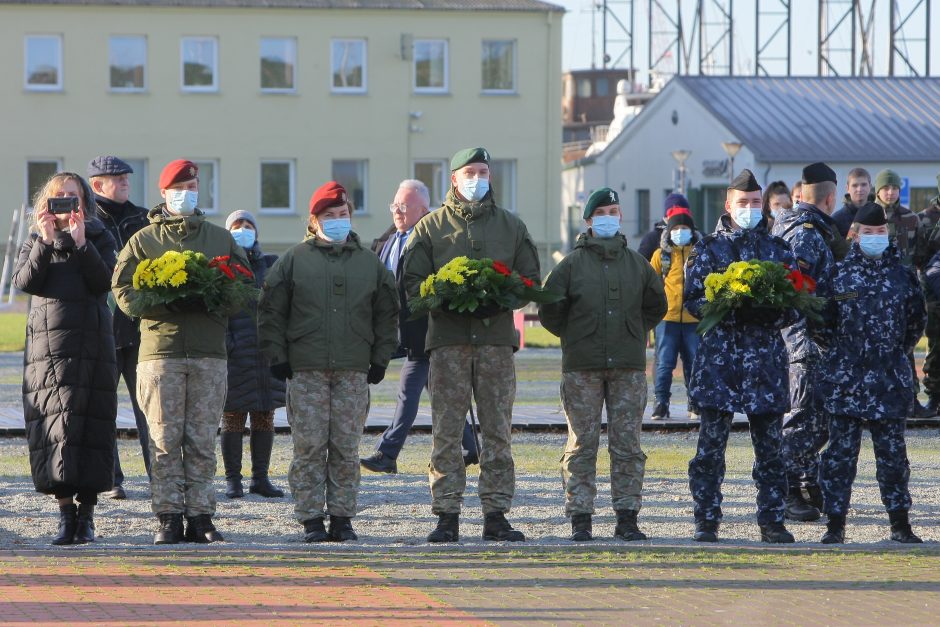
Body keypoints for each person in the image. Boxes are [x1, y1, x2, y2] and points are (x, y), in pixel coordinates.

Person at [404, 147, 541, 543]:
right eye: (470, 172)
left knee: (498, 429)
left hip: (496, 342)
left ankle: (496, 514)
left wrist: (502, 294)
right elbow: (412, 286)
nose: (477, 179)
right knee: (447, 430)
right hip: (448, 343)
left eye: (483, 171)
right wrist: (444, 295)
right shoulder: (429, 228)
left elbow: (529, 278)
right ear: (454, 179)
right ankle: (447, 514)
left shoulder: (511, 227)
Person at [112, 159, 249, 545]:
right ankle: (168, 516)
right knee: (164, 437)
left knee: (203, 438)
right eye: (179, 187)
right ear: (163, 194)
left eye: (192, 187)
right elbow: (122, 291)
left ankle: (202, 515)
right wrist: (160, 303)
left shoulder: (220, 239)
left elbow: (242, 287)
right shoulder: (143, 240)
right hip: (161, 353)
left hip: (208, 352)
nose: (186, 194)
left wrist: (215, 298)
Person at [258, 181, 399, 543]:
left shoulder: (369, 262)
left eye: (342, 214)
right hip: (306, 368)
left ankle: (342, 516)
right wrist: (277, 356)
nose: (337, 220)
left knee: (346, 447)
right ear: (314, 220)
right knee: (309, 446)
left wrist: (381, 357)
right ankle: (310, 518)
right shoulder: (294, 260)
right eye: (328, 215)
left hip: (353, 369)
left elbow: (386, 312)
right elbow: (272, 311)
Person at [539, 187, 666, 542]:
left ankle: (627, 516)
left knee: (627, 444)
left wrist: (634, 330)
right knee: (582, 443)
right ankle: (581, 516)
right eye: (602, 212)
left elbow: (656, 305)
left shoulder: (636, 264)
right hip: (582, 366)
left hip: (626, 365)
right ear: (589, 220)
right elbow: (550, 310)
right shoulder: (570, 265)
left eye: (614, 210)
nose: (609, 217)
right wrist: (575, 335)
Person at [684, 169, 798, 544]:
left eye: (754, 203)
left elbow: (795, 304)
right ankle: (706, 519)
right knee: (710, 450)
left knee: (770, 450)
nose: (748, 209)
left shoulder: (779, 250)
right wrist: (728, 304)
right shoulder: (708, 249)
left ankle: (772, 520)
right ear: (728, 205)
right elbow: (694, 301)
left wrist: (768, 308)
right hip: (721, 363)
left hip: (765, 362)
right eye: (742, 203)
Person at [14, 172, 118, 545]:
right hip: (47, 348)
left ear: (84, 203)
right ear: (48, 202)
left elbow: (105, 281)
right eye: (59, 197)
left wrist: (81, 243)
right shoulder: (35, 239)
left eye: (73, 197)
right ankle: (64, 514)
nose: (66, 205)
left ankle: (86, 516)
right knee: (52, 430)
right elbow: (24, 282)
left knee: (89, 424)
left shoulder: (98, 235)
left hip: (91, 343)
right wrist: (45, 241)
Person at [817, 202, 926, 544]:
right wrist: (841, 355)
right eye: (869, 233)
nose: (876, 237)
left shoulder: (903, 276)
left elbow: (915, 323)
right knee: (839, 459)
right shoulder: (837, 276)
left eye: (880, 232)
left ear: (887, 234)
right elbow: (821, 324)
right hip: (845, 382)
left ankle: (900, 524)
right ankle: (835, 526)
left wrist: (893, 353)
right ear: (855, 235)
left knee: (893, 458)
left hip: (889, 380)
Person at [360, 180, 479, 474]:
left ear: (424, 210)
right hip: (393, 331)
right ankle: (472, 445)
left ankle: (387, 453)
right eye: (395, 205)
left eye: (404, 206)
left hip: (424, 330)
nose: (397, 211)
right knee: (439, 392)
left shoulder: (432, 241)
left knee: (408, 391)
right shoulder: (385, 240)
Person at [773, 163, 840, 523]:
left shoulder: (797, 226)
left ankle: (806, 485)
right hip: (805, 342)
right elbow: (796, 291)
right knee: (803, 420)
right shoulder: (807, 235)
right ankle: (784, 492)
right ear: (831, 198)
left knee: (814, 420)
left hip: (806, 340)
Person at [87, 156, 151, 500]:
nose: (126, 183)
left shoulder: (143, 219)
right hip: (104, 328)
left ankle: (160, 475)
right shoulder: (86, 220)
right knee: (103, 408)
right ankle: (111, 478)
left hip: (141, 327)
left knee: (149, 407)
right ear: (98, 184)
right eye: (118, 179)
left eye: (127, 178)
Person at [219, 210, 286, 499]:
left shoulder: (269, 265)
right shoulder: (220, 266)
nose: (243, 230)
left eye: (248, 226)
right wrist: (227, 344)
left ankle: (260, 478)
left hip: (265, 355)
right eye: (237, 226)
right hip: (234, 354)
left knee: (264, 416)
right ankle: (233, 479)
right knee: (232, 417)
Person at [649, 208, 701, 421]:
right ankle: (661, 402)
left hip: (693, 319)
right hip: (667, 318)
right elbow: (650, 284)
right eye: (676, 228)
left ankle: (694, 402)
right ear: (669, 231)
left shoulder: (700, 253)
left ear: (692, 230)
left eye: (684, 228)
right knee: (664, 363)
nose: (680, 231)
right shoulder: (660, 255)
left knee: (694, 362)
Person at [917, 174, 940, 416]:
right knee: (936, 347)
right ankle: (934, 396)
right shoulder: (926, 218)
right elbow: (921, 260)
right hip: (935, 292)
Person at [637, 193, 691, 261]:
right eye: (673, 212)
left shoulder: (698, 238)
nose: (678, 216)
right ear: (666, 217)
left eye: (683, 212)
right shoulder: (652, 239)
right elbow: (640, 266)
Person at [830, 167, 873, 238]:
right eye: (855, 185)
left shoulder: (880, 215)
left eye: (863, 185)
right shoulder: (837, 220)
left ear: (870, 187)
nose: (859, 189)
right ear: (847, 188)